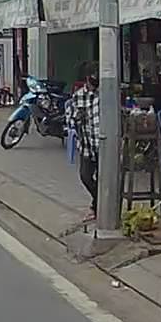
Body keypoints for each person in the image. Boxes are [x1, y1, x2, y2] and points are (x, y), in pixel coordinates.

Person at [70, 61, 100, 222]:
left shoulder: (106, 94)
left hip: (103, 144)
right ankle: (99, 202)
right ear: (88, 78)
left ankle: (97, 207)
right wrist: (77, 118)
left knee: (103, 178)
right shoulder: (79, 96)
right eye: (93, 76)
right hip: (87, 145)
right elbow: (70, 118)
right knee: (85, 176)